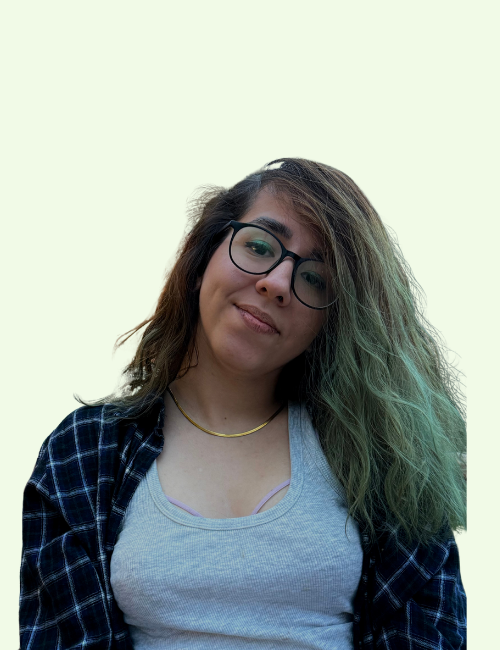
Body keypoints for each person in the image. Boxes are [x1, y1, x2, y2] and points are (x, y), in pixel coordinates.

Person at [19, 158, 467, 649]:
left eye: (315, 279)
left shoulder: (387, 458)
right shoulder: (84, 452)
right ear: (200, 259)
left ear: (333, 324)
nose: (277, 283)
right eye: (259, 246)